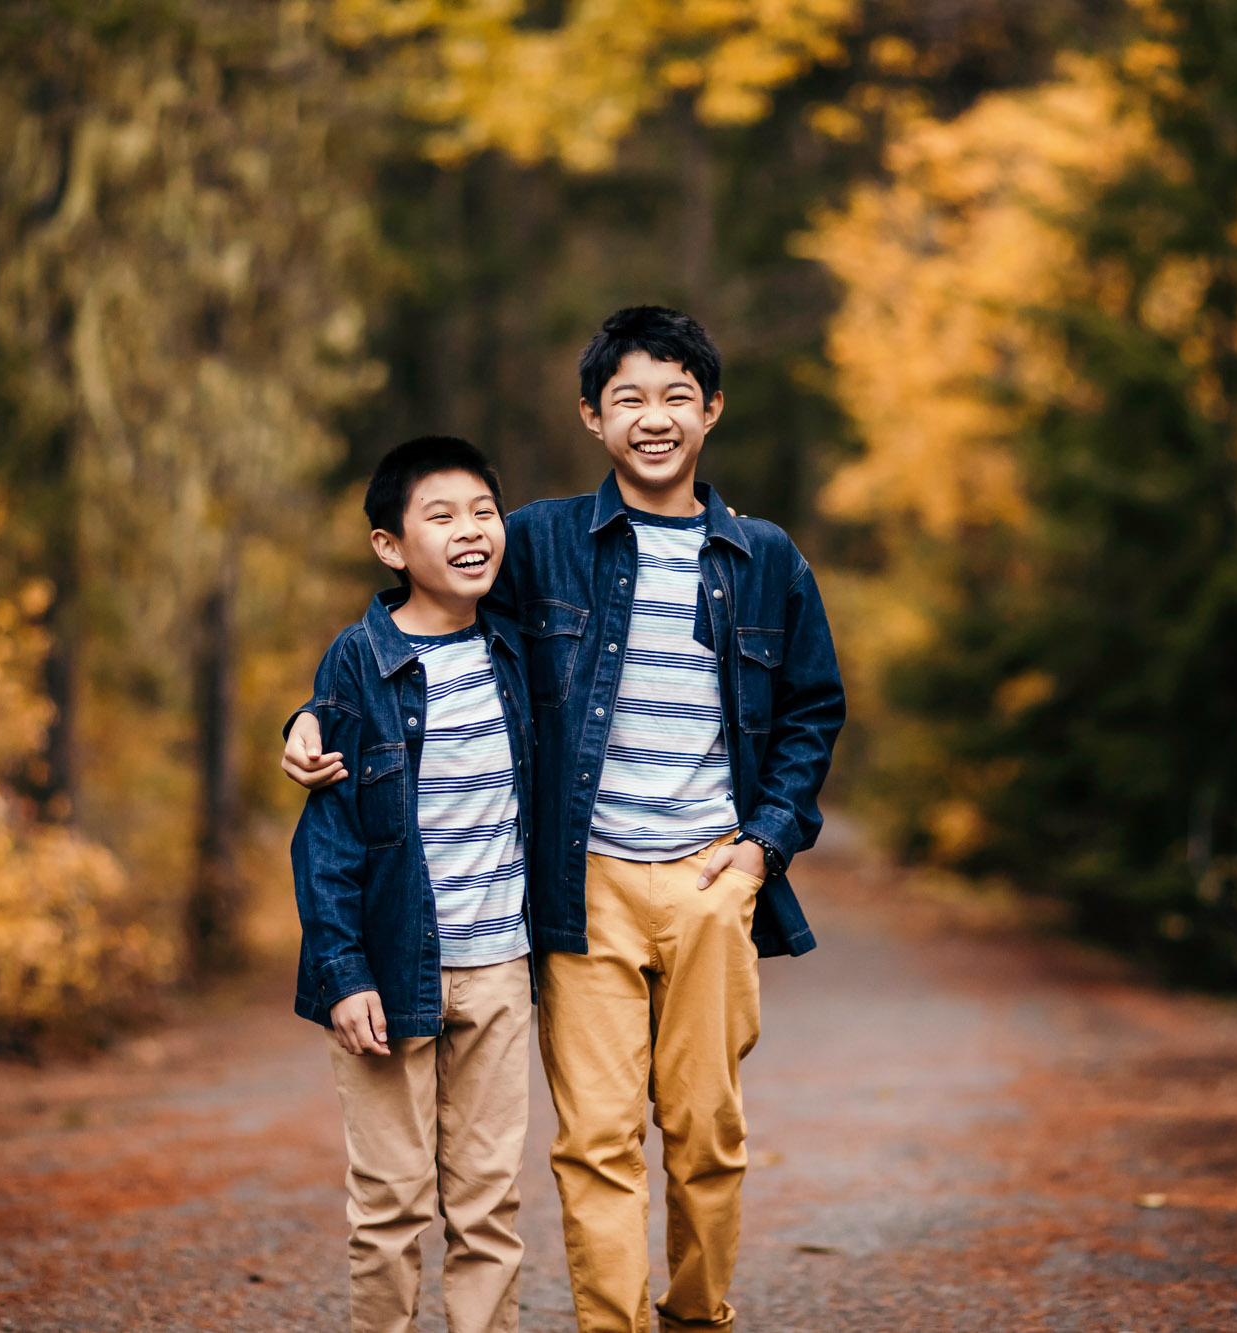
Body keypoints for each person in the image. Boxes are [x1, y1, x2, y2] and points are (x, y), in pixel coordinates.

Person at [286, 307, 845, 1333]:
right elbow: (420, 633)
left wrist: (762, 846)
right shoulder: (537, 539)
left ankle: (695, 1311)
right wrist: (310, 716)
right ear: (592, 417)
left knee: (705, 1131)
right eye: (627, 397)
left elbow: (812, 708)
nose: (653, 417)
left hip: (712, 878)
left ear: (710, 410)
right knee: (592, 1139)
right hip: (578, 883)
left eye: (676, 395)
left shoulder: (765, 558)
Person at [289, 435, 535, 1333]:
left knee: (488, 1205)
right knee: (391, 1203)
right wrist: (343, 969)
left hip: (503, 966)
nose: (470, 532)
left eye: (483, 512)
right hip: (391, 971)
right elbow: (329, 833)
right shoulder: (357, 662)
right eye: (441, 516)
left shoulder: (517, 646)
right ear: (390, 546)